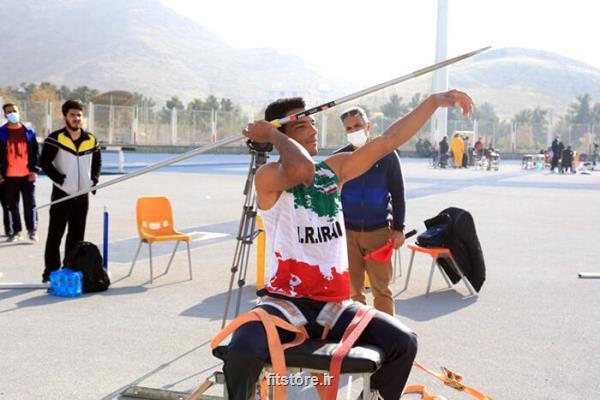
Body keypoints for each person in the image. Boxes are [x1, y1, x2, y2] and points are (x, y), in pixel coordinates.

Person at [223, 89, 473, 400]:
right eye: (302, 126)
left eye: (313, 123)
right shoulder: (269, 177)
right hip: (285, 304)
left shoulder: (335, 169)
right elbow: (301, 170)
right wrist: (272, 133)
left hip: (334, 305)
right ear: (282, 132)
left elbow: (387, 142)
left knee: (403, 341)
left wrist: (433, 103)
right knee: (243, 350)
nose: (314, 130)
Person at [333, 106, 405, 315]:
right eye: (349, 128)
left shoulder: (387, 156)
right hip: (347, 234)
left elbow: (398, 193)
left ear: (368, 126)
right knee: (352, 291)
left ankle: (389, 335)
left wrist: (399, 228)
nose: (354, 130)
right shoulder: (340, 158)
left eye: (358, 126)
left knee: (381, 290)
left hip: (378, 233)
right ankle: (357, 335)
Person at [40, 100, 101, 283]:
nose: (76, 118)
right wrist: (61, 180)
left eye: (79, 115)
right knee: (55, 235)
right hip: (62, 193)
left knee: (76, 236)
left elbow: (97, 162)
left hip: (81, 195)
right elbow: (44, 163)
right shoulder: (55, 138)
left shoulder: (91, 139)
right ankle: (50, 272)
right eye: (72, 115)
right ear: (65, 116)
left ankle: (70, 269)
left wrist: (94, 181)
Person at [0, 103, 40, 242]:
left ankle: (32, 230)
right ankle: (16, 231)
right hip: (9, 176)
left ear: (19, 112)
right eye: (9, 111)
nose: (12, 113)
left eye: (14, 111)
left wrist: (34, 170)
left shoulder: (29, 132)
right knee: (12, 206)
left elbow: (35, 153)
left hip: (27, 175)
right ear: (5, 115)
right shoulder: (1, 133)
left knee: (30, 204)